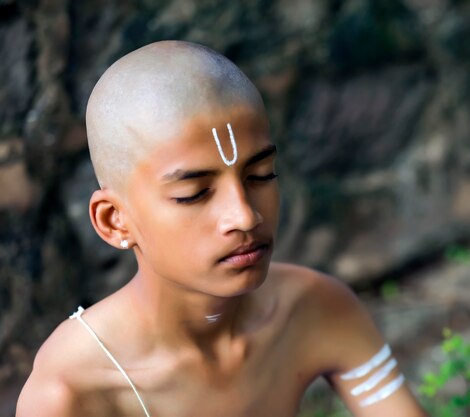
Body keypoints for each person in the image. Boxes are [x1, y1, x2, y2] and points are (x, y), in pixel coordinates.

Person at [16, 40, 427, 417]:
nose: (245, 216)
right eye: (194, 194)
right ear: (114, 220)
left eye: (261, 175)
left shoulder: (314, 309)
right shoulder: (70, 393)